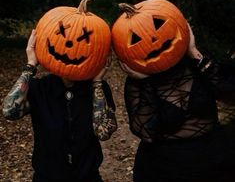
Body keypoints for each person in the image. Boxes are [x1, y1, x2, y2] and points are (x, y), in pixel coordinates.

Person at [119, 24, 235, 182]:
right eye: (137, 39)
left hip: (213, 161)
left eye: (159, 25)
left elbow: (228, 94)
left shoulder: (197, 64)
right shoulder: (138, 80)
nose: (153, 39)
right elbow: (145, 131)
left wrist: (193, 52)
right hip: (164, 168)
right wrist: (146, 82)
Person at [2, 29, 117, 182]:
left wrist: (97, 83)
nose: (71, 46)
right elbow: (9, 111)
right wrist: (30, 65)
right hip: (47, 177)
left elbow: (104, 133)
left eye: (83, 41)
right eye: (62, 38)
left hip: (88, 177)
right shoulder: (39, 88)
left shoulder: (98, 89)